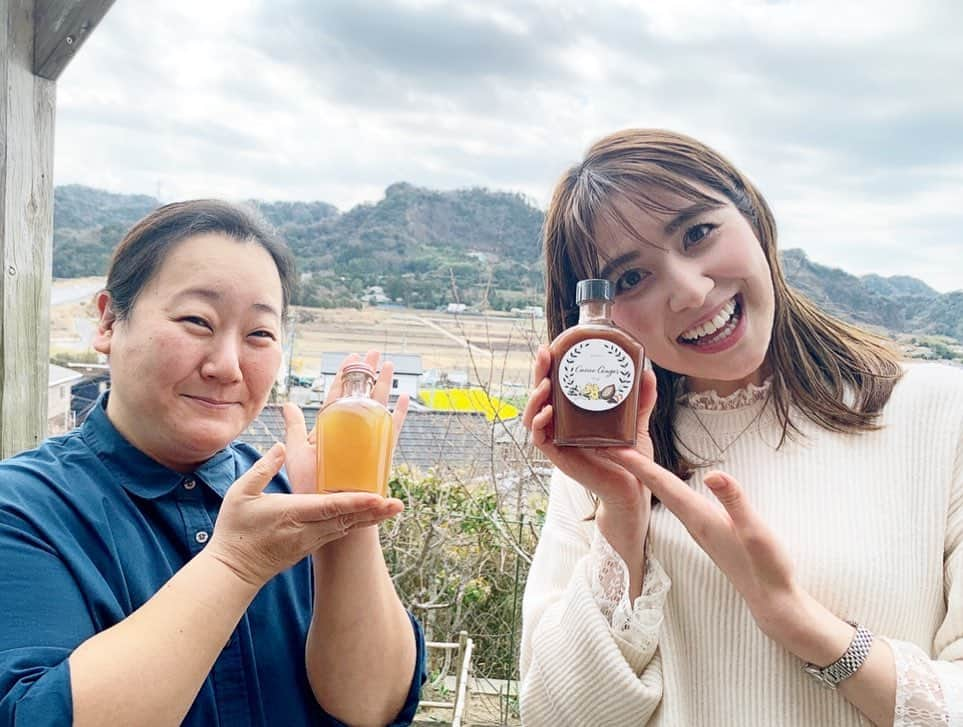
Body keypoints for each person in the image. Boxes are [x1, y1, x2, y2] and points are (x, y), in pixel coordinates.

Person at [520, 129, 963, 726]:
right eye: (630, 279)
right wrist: (621, 526)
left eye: (698, 233)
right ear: (597, 313)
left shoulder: (940, 416)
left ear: (753, 218)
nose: (691, 291)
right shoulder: (605, 459)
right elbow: (556, 715)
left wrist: (793, 617)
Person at [0, 200, 425, 726]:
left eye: (259, 335)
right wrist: (236, 563)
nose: (226, 366)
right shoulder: (22, 510)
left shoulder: (291, 495)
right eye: (197, 321)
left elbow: (372, 707)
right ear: (110, 320)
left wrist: (346, 519)